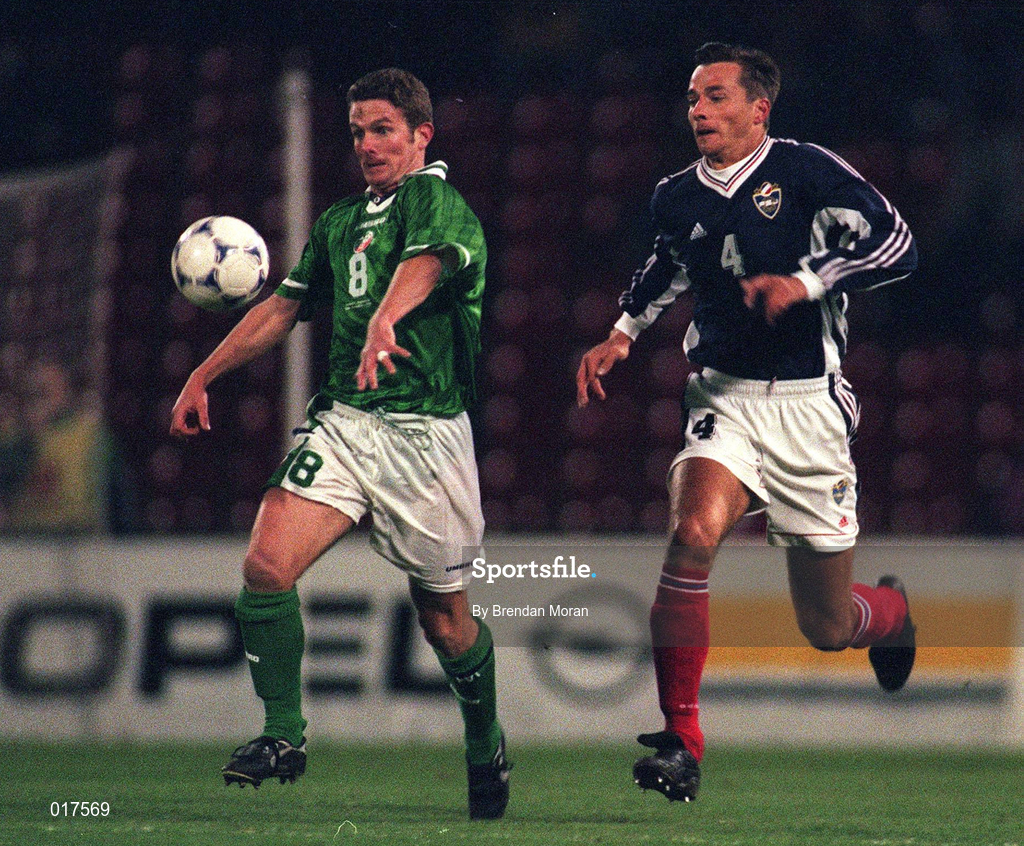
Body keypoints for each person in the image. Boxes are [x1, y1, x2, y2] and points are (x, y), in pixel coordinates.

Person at [576, 42, 918, 803]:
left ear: (759, 108)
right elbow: (668, 264)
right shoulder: (675, 195)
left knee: (828, 626)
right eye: (694, 97)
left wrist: (808, 281)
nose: (699, 109)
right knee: (692, 533)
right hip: (723, 397)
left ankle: (890, 616)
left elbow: (899, 245)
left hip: (809, 410)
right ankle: (682, 742)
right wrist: (622, 332)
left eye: (717, 96)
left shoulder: (805, 170)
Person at [170, 68, 510, 820]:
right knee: (265, 565)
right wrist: (203, 372)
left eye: (382, 129)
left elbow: (426, 263)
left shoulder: (438, 200)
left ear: (422, 134)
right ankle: (283, 735)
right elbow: (282, 309)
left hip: (427, 437)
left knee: (445, 621)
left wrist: (387, 317)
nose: (366, 144)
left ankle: (484, 738)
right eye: (357, 131)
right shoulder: (337, 222)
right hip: (348, 421)